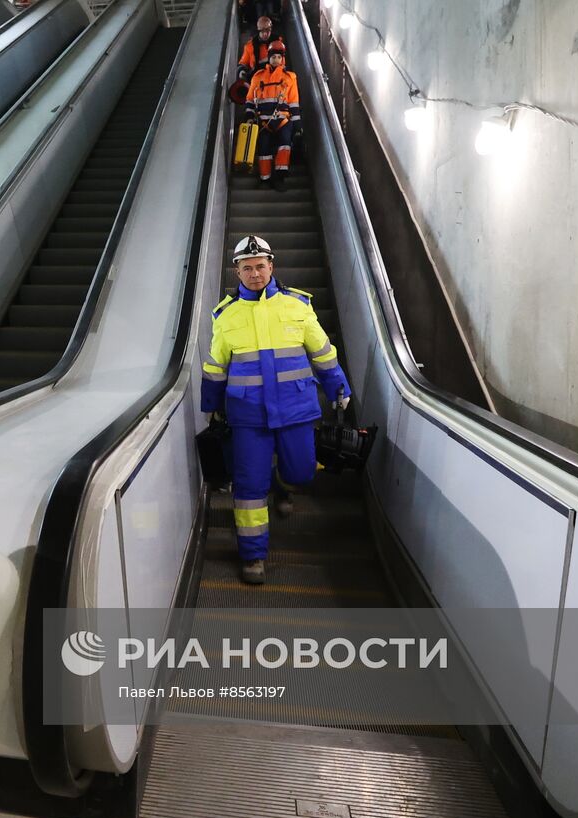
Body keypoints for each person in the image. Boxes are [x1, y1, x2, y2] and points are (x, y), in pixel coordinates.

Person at [201, 236, 350, 585]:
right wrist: (211, 407)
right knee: (249, 489)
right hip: (247, 415)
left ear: (272, 266)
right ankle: (254, 557)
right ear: (237, 271)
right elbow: (215, 367)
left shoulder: (298, 306)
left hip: (296, 408)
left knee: (301, 473)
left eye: (260, 266)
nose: (255, 273)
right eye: (247, 268)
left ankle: (282, 486)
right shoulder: (226, 315)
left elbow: (323, 353)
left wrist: (338, 389)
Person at [243, 43, 300, 188]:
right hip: (263, 121)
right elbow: (249, 100)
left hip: (283, 120)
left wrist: (297, 124)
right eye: (273, 57)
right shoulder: (258, 77)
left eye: (279, 57)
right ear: (269, 58)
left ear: (282, 59)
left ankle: (280, 178)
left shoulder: (290, 78)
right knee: (264, 149)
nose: (276, 60)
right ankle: (265, 179)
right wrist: (249, 117)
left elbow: (293, 102)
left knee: (284, 145)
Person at [237, 17, 283, 88]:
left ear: (271, 29)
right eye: (262, 31)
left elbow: (282, 63)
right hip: (256, 81)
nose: (265, 34)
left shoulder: (278, 43)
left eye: (267, 30)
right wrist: (242, 71)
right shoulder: (250, 46)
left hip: (274, 81)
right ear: (258, 30)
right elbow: (243, 63)